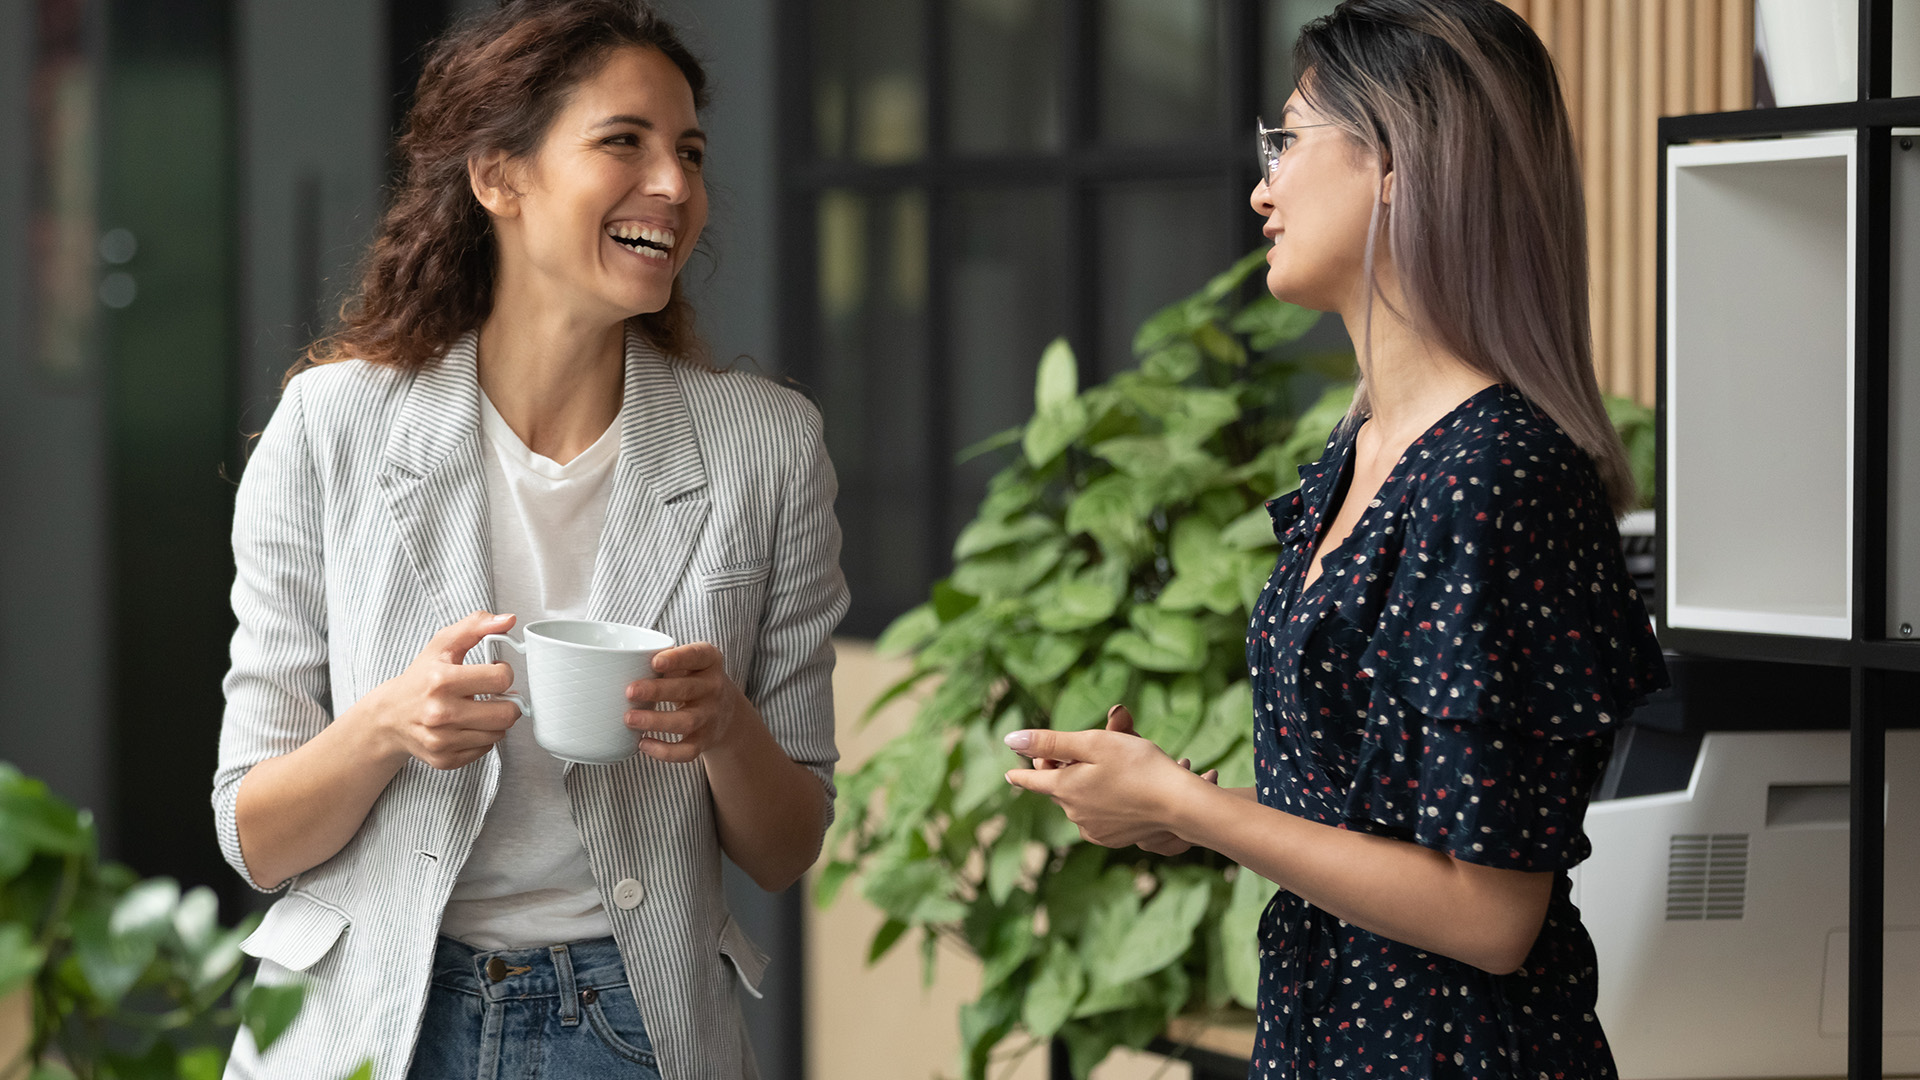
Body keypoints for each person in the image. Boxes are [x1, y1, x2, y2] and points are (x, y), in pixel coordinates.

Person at [1004, 2, 1668, 1077]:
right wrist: (1170, 816)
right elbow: (1380, 828)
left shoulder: (1499, 475)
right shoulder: (1357, 454)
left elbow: (1489, 914)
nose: (1261, 186)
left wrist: (1192, 803)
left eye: (1289, 141)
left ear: (1400, 162)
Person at [211, 4, 846, 1078]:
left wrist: (727, 727)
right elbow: (256, 836)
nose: (676, 186)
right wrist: (386, 726)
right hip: (373, 1018)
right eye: (624, 142)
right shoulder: (332, 427)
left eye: (688, 151)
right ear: (498, 177)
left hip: (635, 1024)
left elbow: (786, 851)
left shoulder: (767, 448)